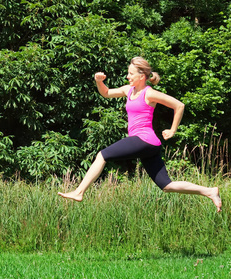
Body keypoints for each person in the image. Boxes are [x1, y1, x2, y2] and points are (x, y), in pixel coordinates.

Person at [58, 57, 222, 212]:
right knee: (166, 185)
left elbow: (179, 105)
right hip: (149, 145)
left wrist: (172, 130)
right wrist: (99, 82)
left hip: (144, 140)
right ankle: (209, 191)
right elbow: (106, 93)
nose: (128, 76)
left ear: (142, 76)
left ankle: (79, 192)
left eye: (131, 73)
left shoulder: (149, 93)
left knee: (102, 155)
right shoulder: (128, 90)